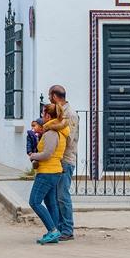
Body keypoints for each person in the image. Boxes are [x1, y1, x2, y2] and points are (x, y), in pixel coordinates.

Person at [28, 104, 69, 245]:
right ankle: (54, 231)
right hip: (53, 171)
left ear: (48, 116)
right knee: (50, 202)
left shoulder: (51, 133)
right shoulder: (60, 130)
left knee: (34, 201)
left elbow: (47, 154)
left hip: (47, 172)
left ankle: (53, 230)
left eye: (43, 113)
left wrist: (33, 155)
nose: (41, 117)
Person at [46, 85, 79, 241]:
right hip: (57, 160)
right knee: (56, 195)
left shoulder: (70, 114)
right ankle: (59, 227)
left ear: (54, 96)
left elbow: (68, 139)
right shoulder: (60, 113)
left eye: (49, 96)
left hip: (65, 159)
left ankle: (67, 229)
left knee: (62, 195)